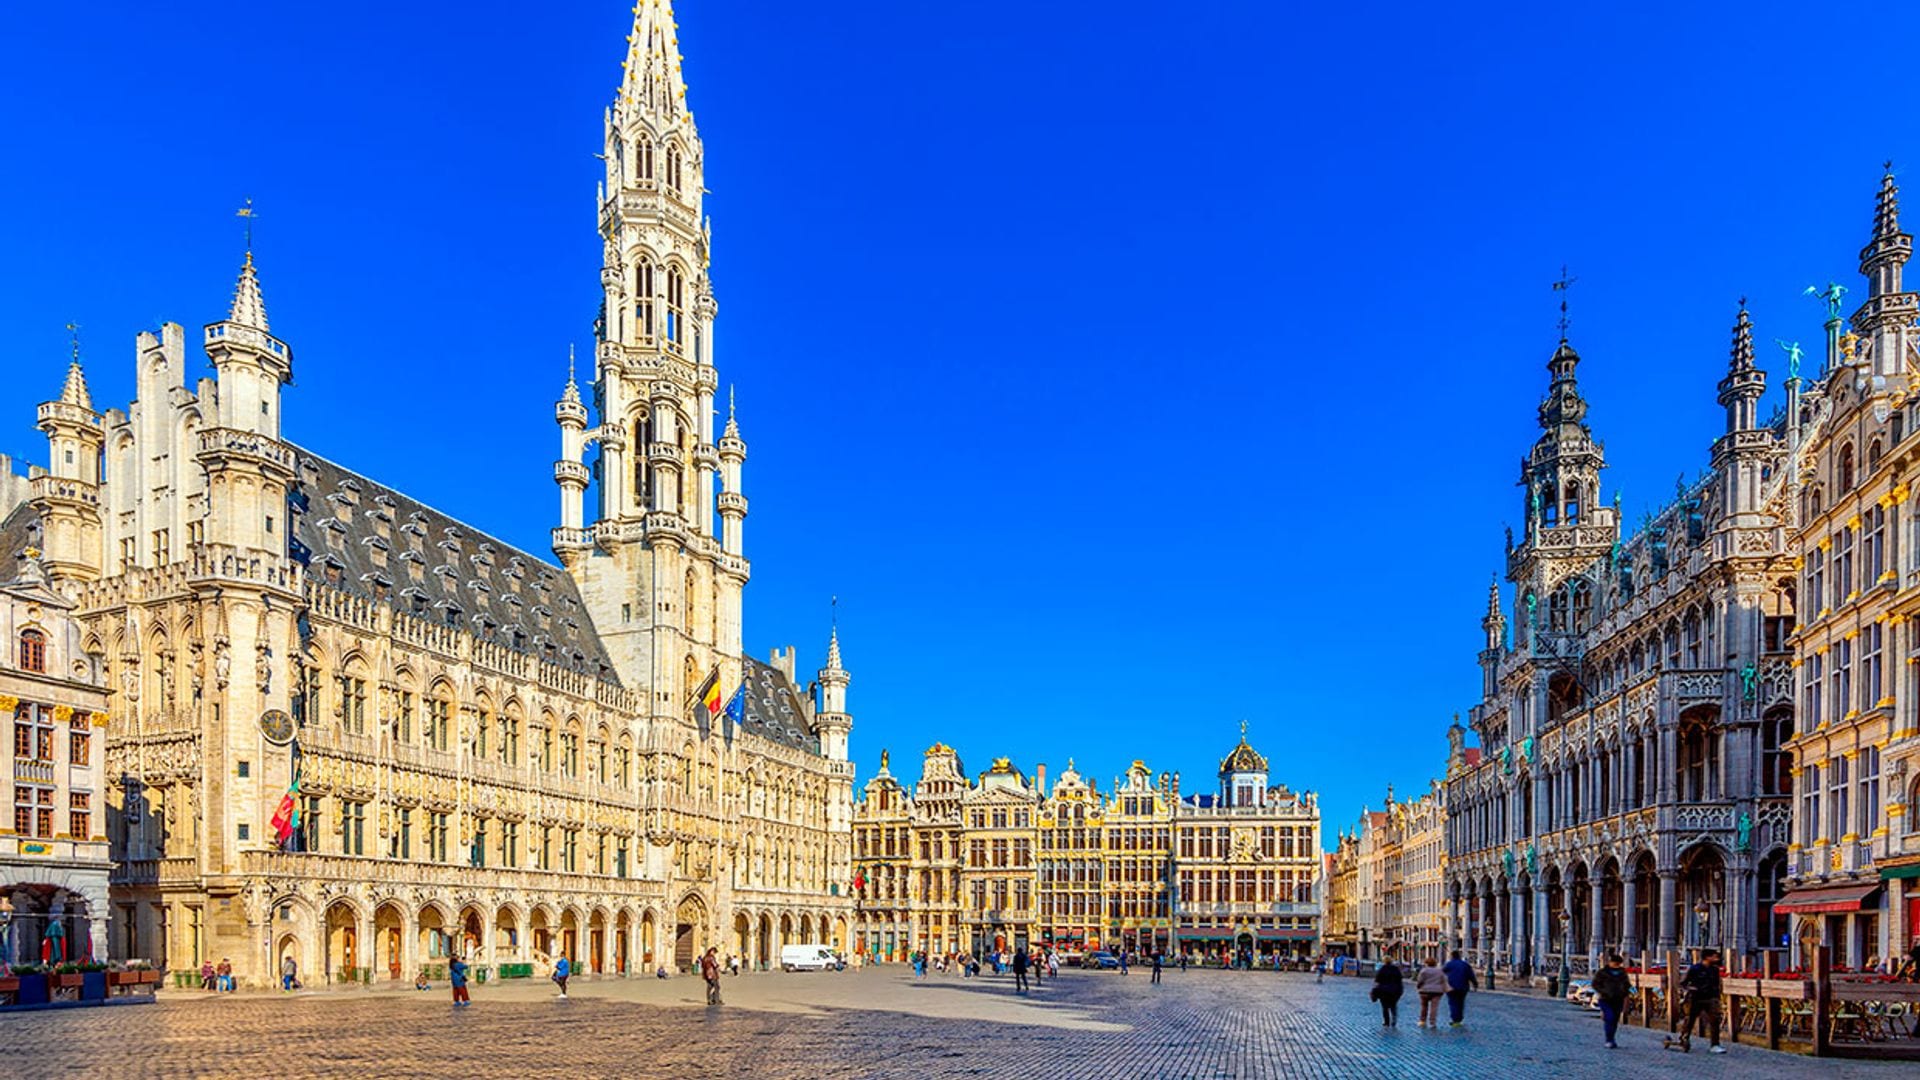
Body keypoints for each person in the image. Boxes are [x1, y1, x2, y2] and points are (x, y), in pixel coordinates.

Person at [1666, 949, 1725, 1054]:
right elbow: (1683, 983)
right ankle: (1684, 1039)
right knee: (1690, 1020)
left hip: (1710, 998)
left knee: (1715, 1020)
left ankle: (1715, 1044)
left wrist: (1717, 997)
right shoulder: (1694, 969)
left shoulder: (1715, 970)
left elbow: (1717, 984)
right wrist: (1691, 988)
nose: (1717, 959)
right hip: (1695, 998)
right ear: (1707, 957)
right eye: (1714, 956)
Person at [1591, 952, 1631, 1049]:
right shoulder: (1602, 972)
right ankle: (1608, 1039)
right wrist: (1603, 991)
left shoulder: (1622, 973)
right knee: (1610, 1017)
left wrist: (1624, 993)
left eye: (1618, 964)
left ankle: (1612, 1038)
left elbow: (1626, 985)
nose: (1617, 965)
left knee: (1615, 1020)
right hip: (1605, 999)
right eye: (1615, 963)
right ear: (1611, 962)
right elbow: (1595, 984)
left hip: (1618, 999)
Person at [1441, 950, 1477, 1027]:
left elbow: (1441, 973)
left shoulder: (1449, 964)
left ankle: (1455, 1019)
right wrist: (1475, 984)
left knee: (1453, 1003)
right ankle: (1459, 1019)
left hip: (1451, 987)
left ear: (1452, 956)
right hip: (1463, 987)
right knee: (1461, 1003)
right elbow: (1471, 976)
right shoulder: (1465, 965)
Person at [1414, 957, 1448, 1028]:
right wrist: (1444, 989)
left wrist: (1418, 987)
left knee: (1424, 1006)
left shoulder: (1424, 971)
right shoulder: (1439, 971)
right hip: (1437, 991)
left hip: (1424, 991)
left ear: (1426, 963)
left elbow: (1420, 981)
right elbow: (1444, 980)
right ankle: (1432, 1022)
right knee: (1434, 1007)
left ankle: (1422, 1021)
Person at [1371, 956, 1404, 1027]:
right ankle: (1394, 1019)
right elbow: (1400, 980)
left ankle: (1386, 1022)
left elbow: (1377, 980)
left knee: (1385, 1007)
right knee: (1393, 1005)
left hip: (1384, 991)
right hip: (1395, 991)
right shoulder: (1395, 969)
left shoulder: (1382, 969)